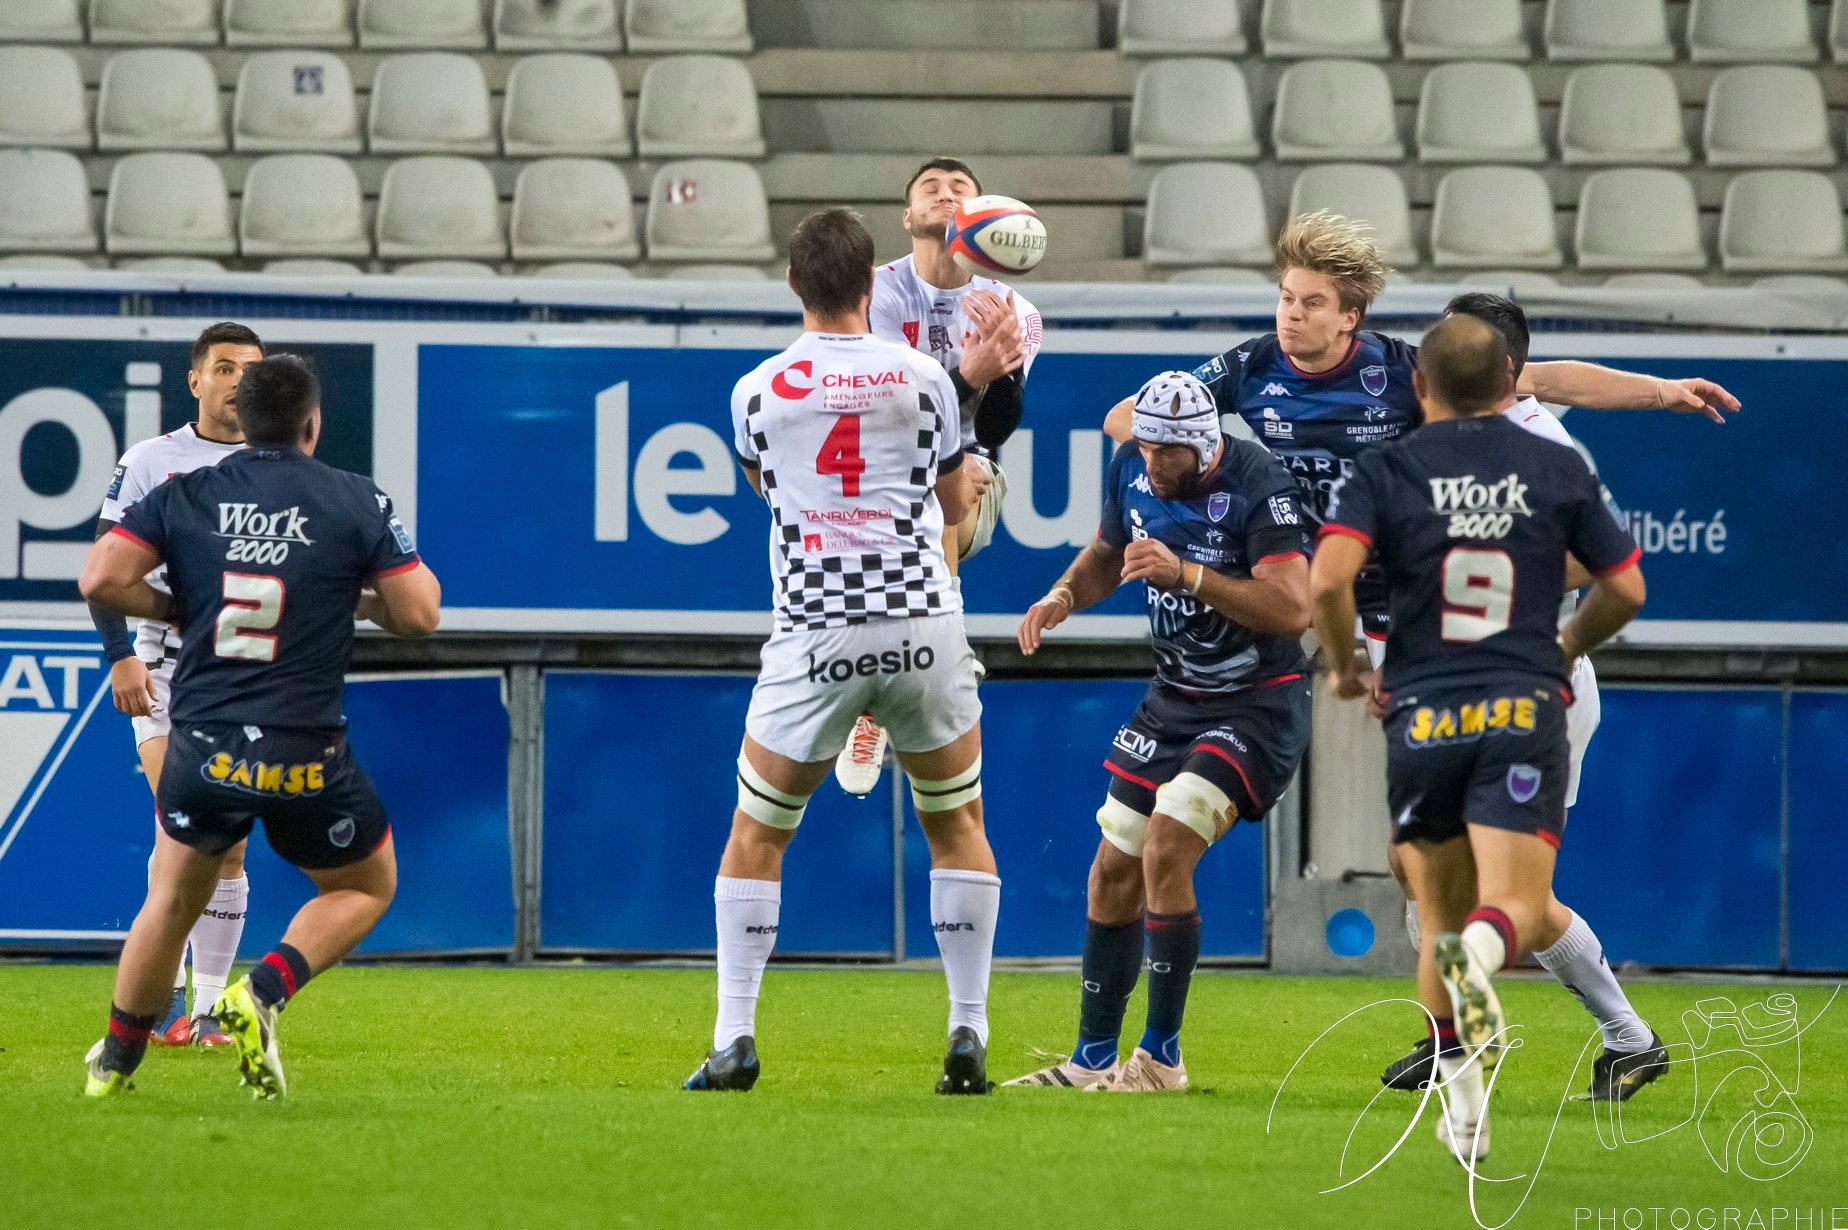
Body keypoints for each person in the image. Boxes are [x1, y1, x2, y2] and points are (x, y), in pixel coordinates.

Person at [1309, 315, 1647, 1164]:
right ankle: (1494, 976)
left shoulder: (1388, 468)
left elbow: (1328, 581)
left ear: (1419, 386)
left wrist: (1346, 670)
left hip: (1426, 705)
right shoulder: (1554, 464)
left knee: (1443, 907)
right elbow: (1625, 586)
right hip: (1523, 699)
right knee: (1508, 905)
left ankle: (1469, 1083)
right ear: (1509, 380)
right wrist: (1561, 644)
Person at [683, 208, 1001, 1096]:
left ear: (794, 283)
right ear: (872, 283)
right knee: (957, 824)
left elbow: (770, 490)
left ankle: (734, 1038)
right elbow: (953, 509)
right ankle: (968, 1030)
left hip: (817, 628)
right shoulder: (926, 378)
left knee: (757, 834)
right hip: (922, 623)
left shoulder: (756, 390)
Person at [78, 355, 442, 1099]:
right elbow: (419, 614)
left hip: (204, 741)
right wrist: (347, 597)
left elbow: (102, 579)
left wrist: (176, 607)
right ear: (312, 423)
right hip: (304, 747)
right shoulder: (355, 498)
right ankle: (262, 991)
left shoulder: (186, 492)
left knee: (171, 899)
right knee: (365, 886)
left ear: (243, 419)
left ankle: (113, 1064)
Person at [1375, 293, 1668, 1102]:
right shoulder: (1470, 423)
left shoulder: (1542, 446)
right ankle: (1459, 1029)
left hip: (1530, 686)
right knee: (1416, 863)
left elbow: (1601, 562)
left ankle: (1623, 1037)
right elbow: (1561, 374)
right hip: (1456, 684)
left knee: (1513, 895)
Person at [1004, 371, 1312, 1092]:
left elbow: (1293, 608)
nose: (1150, 462)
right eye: (1143, 447)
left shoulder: (1260, 485)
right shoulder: (1132, 465)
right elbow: (1108, 552)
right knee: (1112, 867)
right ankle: (1091, 1061)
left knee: (1169, 840)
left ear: (1204, 445)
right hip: (1173, 697)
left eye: (1165, 452)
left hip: (1255, 702)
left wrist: (1190, 576)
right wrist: (1063, 595)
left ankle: (1161, 1058)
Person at [837, 157, 1043, 795]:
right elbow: (890, 415)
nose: (946, 193)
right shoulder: (873, 293)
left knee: (937, 479)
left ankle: (945, 639)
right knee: (915, 482)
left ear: (983, 215)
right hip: (879, 469)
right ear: (907, 217)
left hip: (970, 475)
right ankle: (876, 701)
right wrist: (971, 373)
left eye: (960, 188)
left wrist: (1002, 372)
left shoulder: (1017, 309)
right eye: (931, 187)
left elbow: (998, 428)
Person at [91, 321, 265, 1047]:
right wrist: (119, 657)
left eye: (250, 370)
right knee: (187, 832)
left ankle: (203, 1012)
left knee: (228, 848)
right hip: (164, 670)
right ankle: (154, 1004)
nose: (237, 381)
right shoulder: (151, 460)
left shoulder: (278, 466)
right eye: (223, 367)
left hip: (245, 677)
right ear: (195, 380)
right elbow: (105, 563)